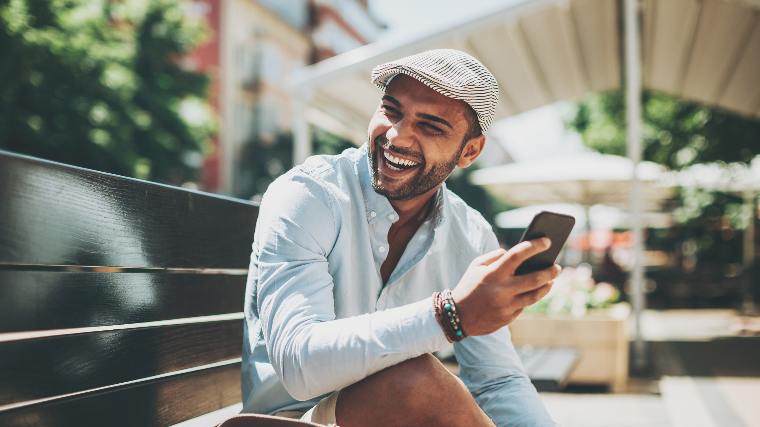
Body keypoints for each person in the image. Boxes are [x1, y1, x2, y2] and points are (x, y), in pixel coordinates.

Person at [241, 49, 560, 426]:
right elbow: (301, 365)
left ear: (470, 151)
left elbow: (498, 381)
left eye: (430, 126)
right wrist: (449, 315)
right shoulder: (308, 196)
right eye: (392, 110)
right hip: (290, 420)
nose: (396, 136)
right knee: (413, 381)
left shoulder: (471, 233)